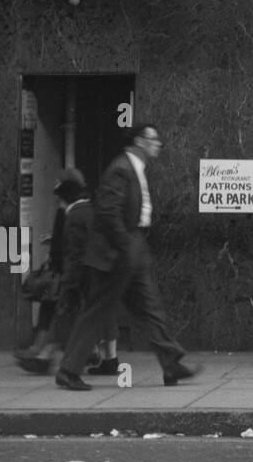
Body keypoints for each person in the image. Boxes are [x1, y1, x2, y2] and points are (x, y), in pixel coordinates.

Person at [56, 125, 197, 391]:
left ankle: (171, 363)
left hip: (133, 245)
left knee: (150, 306)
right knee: (98, 312)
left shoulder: (136, 168)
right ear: (139, 141)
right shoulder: (121, 168)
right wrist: (125, 246)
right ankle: (68, 370)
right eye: (154, 140)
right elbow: (109, 212)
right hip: (115, 252)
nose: (158, 145)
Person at [15, 169, 92, 375]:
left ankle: (46, 354)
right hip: (65, 270)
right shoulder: (75, 208)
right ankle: (43, 351)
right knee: (53, 309)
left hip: (67, 272)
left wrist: (59, 265)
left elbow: (69, 245)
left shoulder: (73, 210)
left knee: (61, 313)